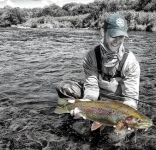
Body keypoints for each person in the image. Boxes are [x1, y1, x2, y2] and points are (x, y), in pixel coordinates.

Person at [56, 13, 140, 144]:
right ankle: (73, 112)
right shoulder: (91, 56)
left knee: (114, 139)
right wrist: (84, 105)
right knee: (65, 88)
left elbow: (131, 98)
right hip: (97, 99)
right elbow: (91, 88)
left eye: (121, 36)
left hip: (119, 105)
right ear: (103, 32)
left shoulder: (131, 62)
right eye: (113, 35)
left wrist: (123, 117)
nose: (117, 40)